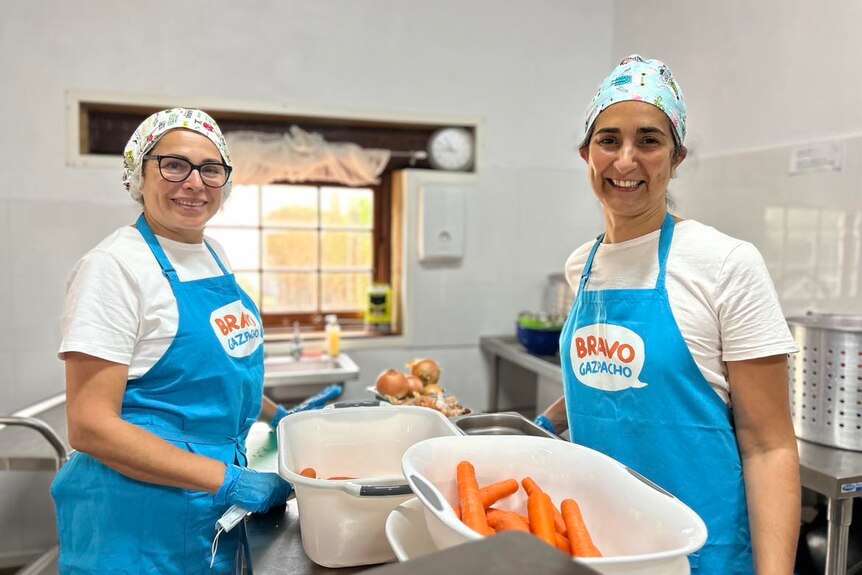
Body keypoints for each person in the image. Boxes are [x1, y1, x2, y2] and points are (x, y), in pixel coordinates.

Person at [534, 56, 800, 574]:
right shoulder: (580, 267)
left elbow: (769, 445)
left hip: (701, 551)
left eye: (649, 141)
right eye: (609, 140)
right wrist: (542, 424)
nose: (626, 160)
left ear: (676, 158)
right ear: (586, 154)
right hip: (598, 543)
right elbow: (619, 373)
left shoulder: (725, 264)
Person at [51, 108, 320, 574]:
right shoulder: (114, 268)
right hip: (136, 524)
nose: (194, 182)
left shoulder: (211, 253)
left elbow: (214, 374)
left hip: (206, 514)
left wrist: (282, 417)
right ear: (140, 171)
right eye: (174, 164)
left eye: (210, 169)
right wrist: (230, 480)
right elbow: (90, 425)